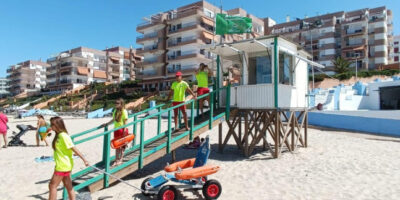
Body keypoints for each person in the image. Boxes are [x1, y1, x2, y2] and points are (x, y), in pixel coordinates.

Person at [48, 116, 89, 200]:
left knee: (52, 186)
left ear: (58, 125)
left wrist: (84, 159)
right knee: (68, 186)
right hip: (64, 164)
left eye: (52, 124)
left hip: (63, 165)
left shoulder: (63, 136)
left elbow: (73, 148)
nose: (51, 126)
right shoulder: (59, 135)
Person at [101, 98, 128, 166]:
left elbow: (125, 122)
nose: (116, 105)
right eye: (115, 103)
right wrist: (106, 124)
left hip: (122, 130)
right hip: (116, 130)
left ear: (121, 104)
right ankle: (116, 160)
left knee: (122, 146)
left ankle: (120, 160)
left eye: (117, 103)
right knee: (116, 146)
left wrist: (124, 132)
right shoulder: (115, 111)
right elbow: (114, 120)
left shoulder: (124, 111)